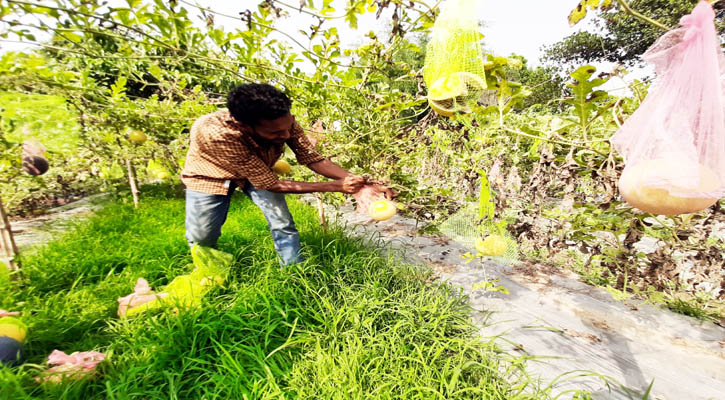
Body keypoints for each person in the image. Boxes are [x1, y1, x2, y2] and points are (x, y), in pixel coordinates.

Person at [181, 83, 391, 265]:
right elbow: (270, 184)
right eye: (276, 133)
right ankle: (209, 270)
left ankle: (293, 272)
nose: (286, 135)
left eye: (289, 127)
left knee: (282, 222)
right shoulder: (215, 132)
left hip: (259, 169)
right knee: (202, 234)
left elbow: (311, 157)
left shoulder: (282, 122)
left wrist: (360, 184)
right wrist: (335, 186)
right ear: (245, 125)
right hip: (210, 174)